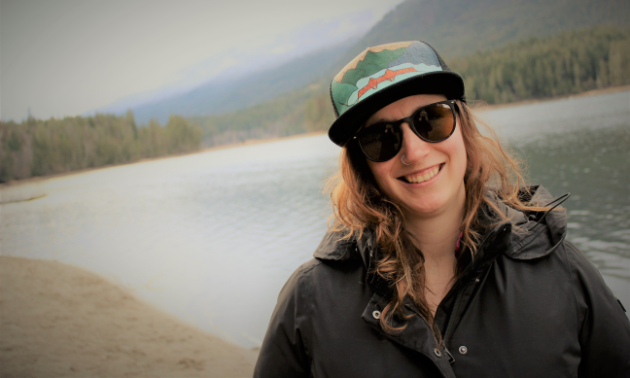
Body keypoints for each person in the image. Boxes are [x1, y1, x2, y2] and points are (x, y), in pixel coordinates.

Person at [253, 41, 630, 377]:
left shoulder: (561, 271)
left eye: (430, 119)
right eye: (381, 137)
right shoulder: (310, 301)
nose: (414, 152)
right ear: (361, 163)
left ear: (462, 126)